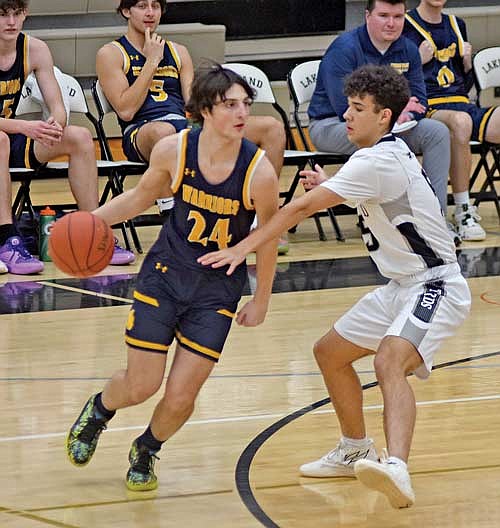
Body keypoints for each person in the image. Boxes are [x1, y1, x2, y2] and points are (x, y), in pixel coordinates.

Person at [199, 64, 471, 508]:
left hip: (435, 283)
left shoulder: (376, 160)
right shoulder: (381, 155)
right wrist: (330, 183)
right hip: (401, 283)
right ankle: (354, 449)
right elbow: (376, 196)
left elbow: (296, 210)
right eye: (348, 105)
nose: (346, 115)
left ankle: (397, 467)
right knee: (330, 352)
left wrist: (240, 248)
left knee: (389, 361)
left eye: (358, 108)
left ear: (384, 117)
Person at [66, 64, 279, 491]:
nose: (241, 114)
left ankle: (147, 447)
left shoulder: (260, 173)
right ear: (204, 110)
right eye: (230, 105)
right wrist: (89, 223)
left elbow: (269, 237)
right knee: (142, 384)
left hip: (217, 290)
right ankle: (99, 411)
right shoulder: (173, 150)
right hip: (164, 276)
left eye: (245, 104)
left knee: (181, 396)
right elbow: (140, 197)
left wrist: (261, 300)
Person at [97, 0, 289, 253]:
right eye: (142, 6)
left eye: (155, 6)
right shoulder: (110, 53)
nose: (150, 12)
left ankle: (258, 220)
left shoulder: (178, 51)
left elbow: (194, 106)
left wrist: (220, 104)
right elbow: (126, 109)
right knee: (163, 132)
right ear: (125, 11)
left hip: (185, 128)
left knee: (272, 127)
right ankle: (172, 216)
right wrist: (151, 63)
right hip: (141, 131)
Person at [307, 0, 460, 244]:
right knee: (382, 141)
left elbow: (419, 98)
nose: (391, 23)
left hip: (390, 126)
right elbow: (345, 108)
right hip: (333, 126)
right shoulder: (344, 48)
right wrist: (397, 114)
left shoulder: (408, 49)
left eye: (398, 17)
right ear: (367, 16)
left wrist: (403, 117)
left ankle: (435, 221)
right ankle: (386, 219)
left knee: (436, 131)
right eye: (384, 15)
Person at [0, 0, 134, 275]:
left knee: (79, 136)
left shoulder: (34, 49)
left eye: (16, 14)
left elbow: (58, 105)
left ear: (25, 14)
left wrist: (55, 124)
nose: (11, 22)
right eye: (3, 15)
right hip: (7, 135)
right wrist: (25, 127)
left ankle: (95, 232)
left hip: (11, 135)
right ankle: (6, 238)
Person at [403, 0, 498, 241]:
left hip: (462, 103)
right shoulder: (403, 24)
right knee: (461, 122)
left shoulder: (457, 24)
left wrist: (467, 66)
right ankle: (463, 209)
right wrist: (417, 60)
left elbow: (465, 86)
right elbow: (395, 79)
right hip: (428, 107)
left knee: (465, 118)